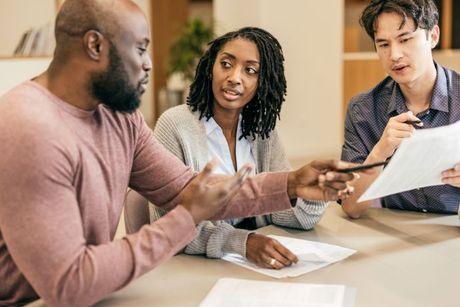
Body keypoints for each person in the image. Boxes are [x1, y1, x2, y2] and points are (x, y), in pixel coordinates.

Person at [0, 1, 357, 306]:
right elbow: (69, 284)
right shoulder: (28, 126)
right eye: (140, 48)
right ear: (95, 45)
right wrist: (186, 218)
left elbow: (191, 189)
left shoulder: (119, 118)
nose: (149, 64)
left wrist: (293, 183)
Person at [151, 27, 327, 269]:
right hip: (192, 269)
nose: (235, 77)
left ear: (261, 82)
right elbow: (170, 223)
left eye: (250, 70)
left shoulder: (262, 132)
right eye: (226, 64)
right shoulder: (175, 126)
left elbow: (284, 214)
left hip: (251, 269)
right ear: (210, 69)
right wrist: (241, 242)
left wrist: (310, 194)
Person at [341, 0, 460, 219]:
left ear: (433, 36)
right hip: (396, 233)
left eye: (405, 39)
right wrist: (380, 152)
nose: (394, 55)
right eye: (384, 44)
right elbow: (351, 207)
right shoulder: (363, 110)